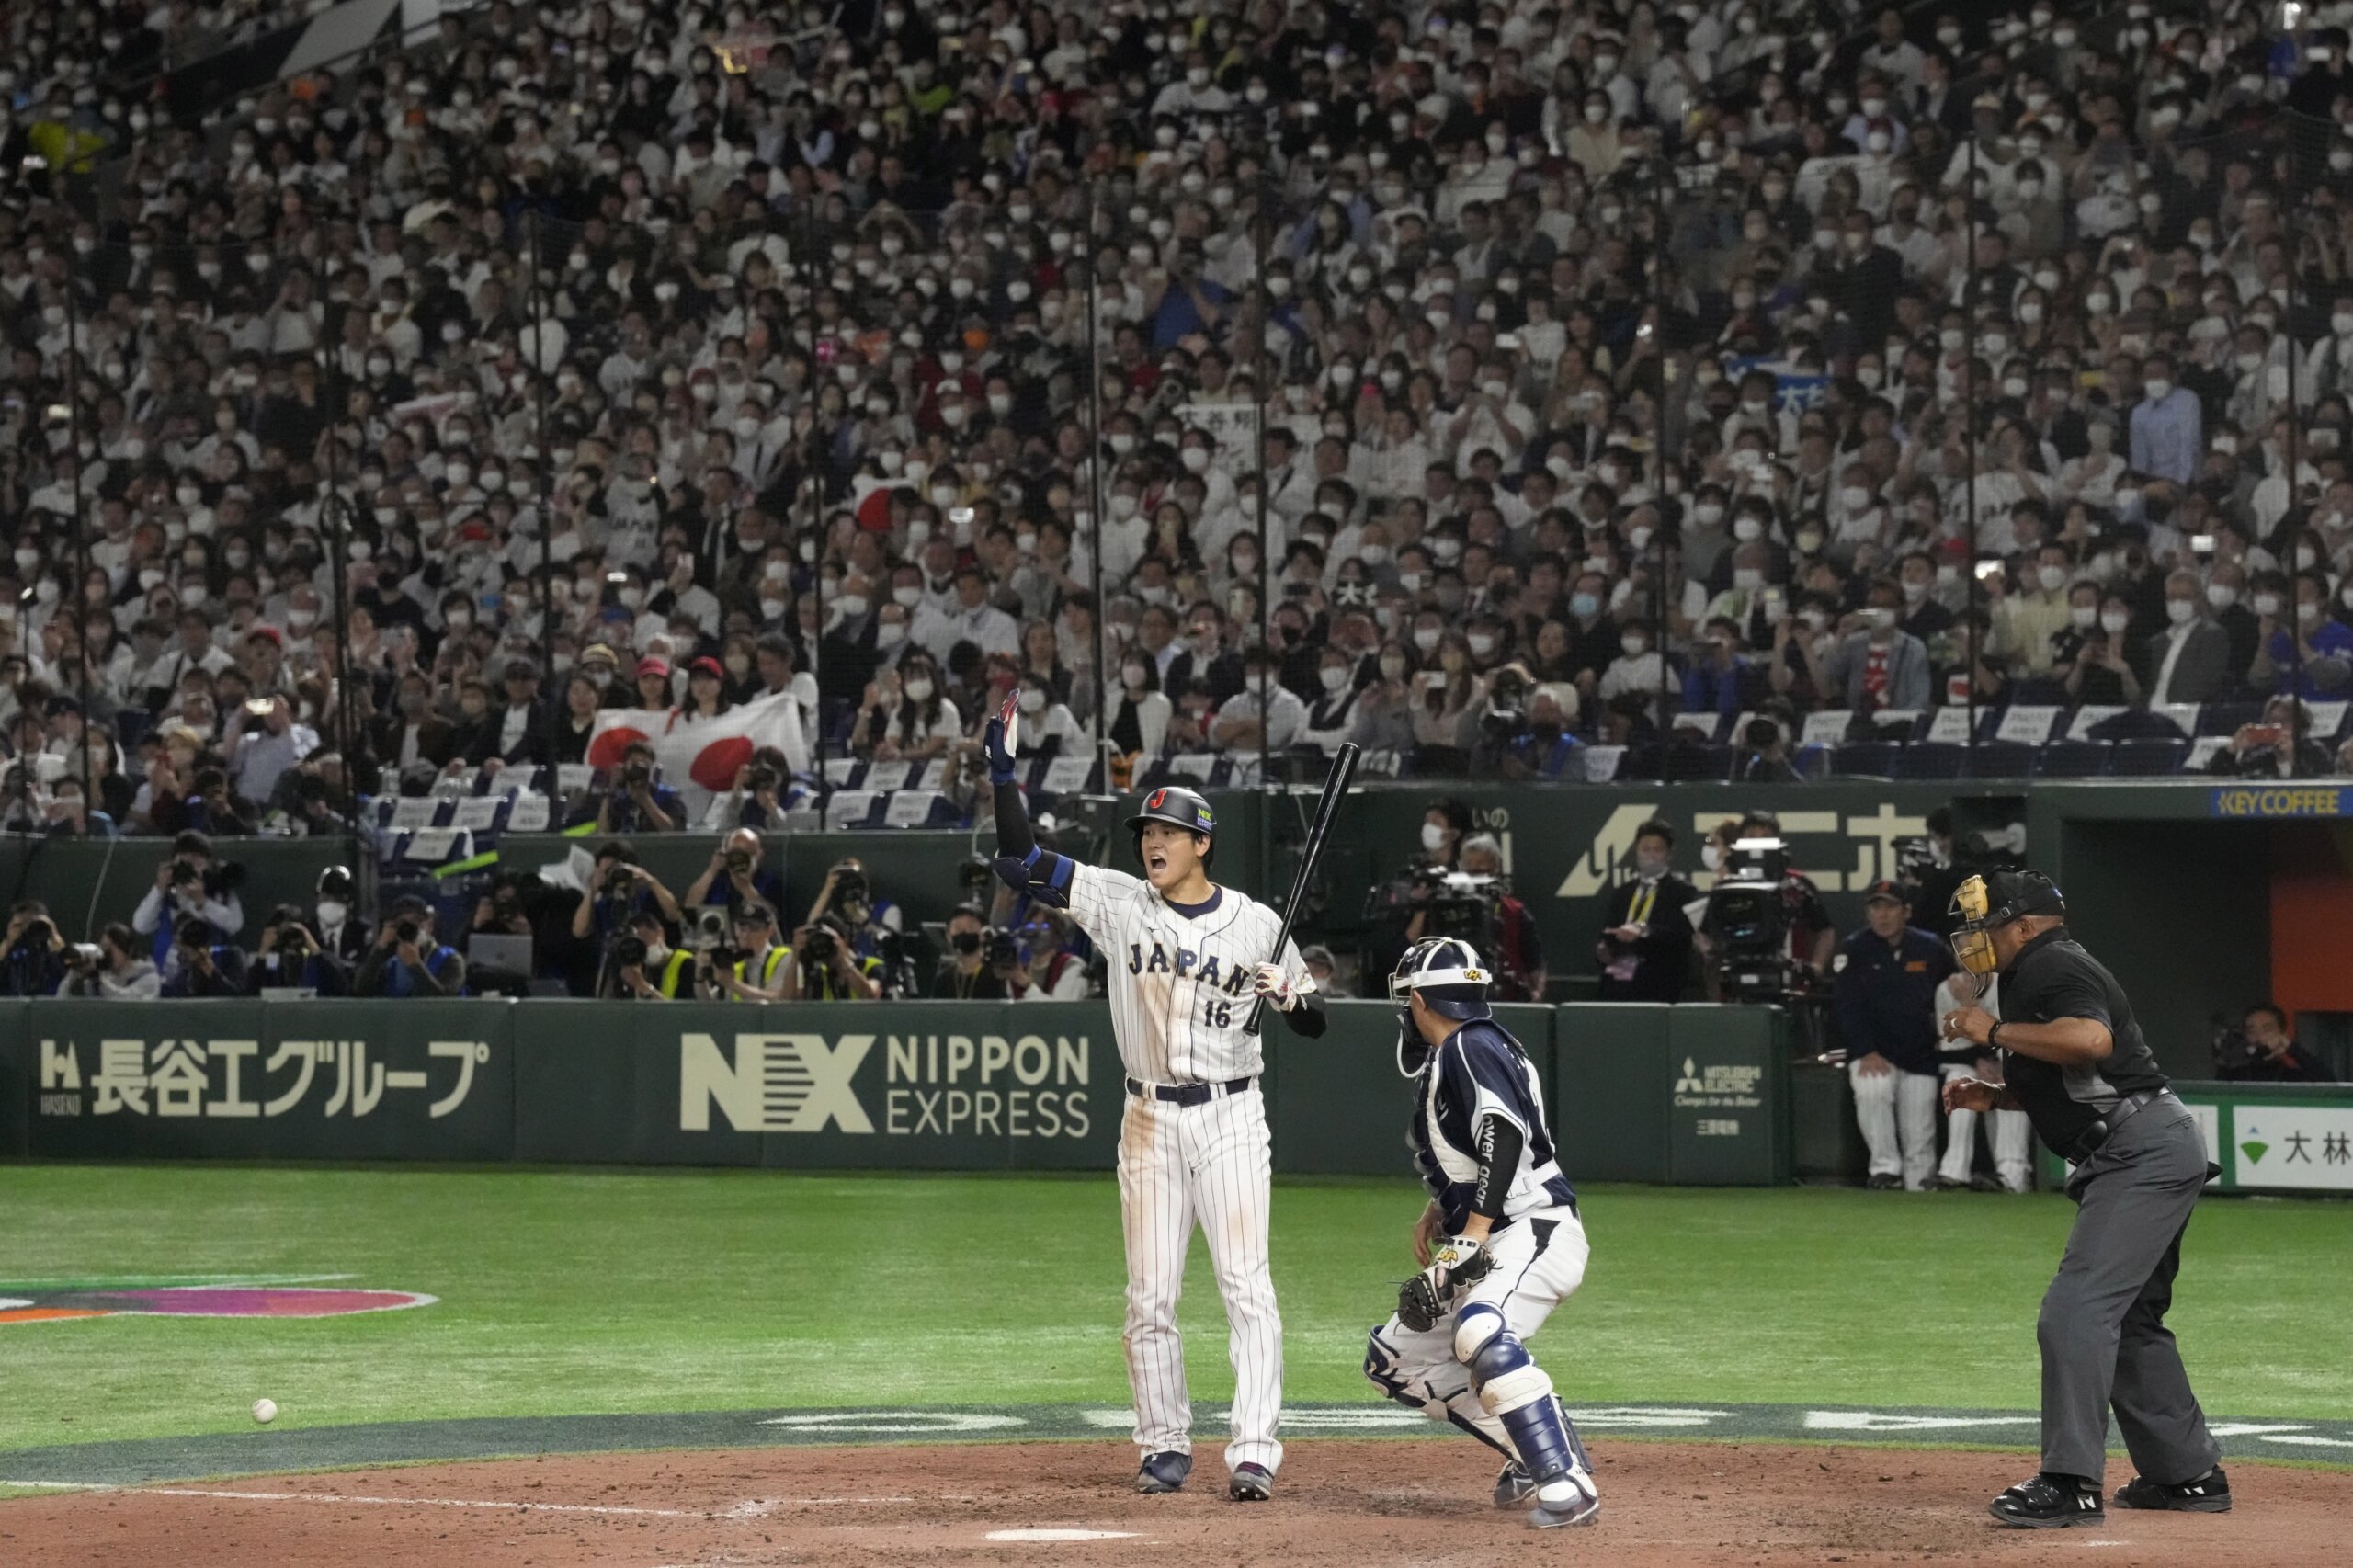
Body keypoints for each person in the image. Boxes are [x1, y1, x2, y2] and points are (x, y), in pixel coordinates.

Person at [987, 692, 1325, 1502]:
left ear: (1202, 843)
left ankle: (1253, 1449)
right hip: (1146, 1117)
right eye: (1146, 832)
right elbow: (1021, 861)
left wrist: (1288, 993)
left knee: (1246, 1285)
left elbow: (1315, 1024)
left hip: (1233, 1116)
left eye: (1168, 832)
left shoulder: (1256, 924)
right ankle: (1164, 1443)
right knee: (1149, 1295)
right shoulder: (1117, 900)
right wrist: (1002, 774)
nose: (1153, 843)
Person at [1939, 871, 2227, 1528]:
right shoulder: (2034, 971)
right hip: (2144, 1143)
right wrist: (1997, 1096)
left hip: (2140, 1151)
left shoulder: (2050, 964)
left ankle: (2070, 1482)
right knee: (2128, 1319)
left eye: (1982, 926)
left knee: (2075, 1311)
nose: (1972, 940)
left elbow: (2090, 1041)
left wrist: (1990, 1033)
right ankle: (2187, 1474)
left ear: (2022, 925)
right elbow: (2078, 1076)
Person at [1362, 937, 1600, 1529]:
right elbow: (1476, 1154)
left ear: (1419, 999)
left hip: (1534, 1225)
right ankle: (1537, 1446)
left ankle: (1565, 1480)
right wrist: (1441, 1210)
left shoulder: (1470, 1046)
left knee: (1481, 1334)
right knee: (1398, 1358)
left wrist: (1468, 1234)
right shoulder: (1471, 1046)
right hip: (1497, 1227)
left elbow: (1504, 1133)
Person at [1833, 881, 1953, 1191]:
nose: (1882, 915)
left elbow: (1949, 996)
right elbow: (1847, 1007)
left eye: (1890, 907)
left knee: (1920, 1128)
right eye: (1875, 907)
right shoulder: (1854, 949)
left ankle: (1920, 1183)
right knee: (1873, 1089)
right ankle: (1885, 1171)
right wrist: (1864, 1050)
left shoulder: (1931, 948)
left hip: (1919, 1055)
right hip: (1874, 1053)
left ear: (1906, 911)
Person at [1932, 967, 2033, 1194]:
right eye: (1963, 964)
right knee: (1958, 1080)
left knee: (2012, 1082)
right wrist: (1979, 1060)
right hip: (1976, 1063)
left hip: (2012, 1062)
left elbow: (2010, 1036)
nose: (1970, 972)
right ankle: (1954, 1172)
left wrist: (1968, 1003)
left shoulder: (2006, 985)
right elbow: (1949, 1046)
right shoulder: (1948, 989)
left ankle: (2012, 1175)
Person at [1594, 820, 1696, 1002]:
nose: (1651, 855)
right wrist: (1604, 948)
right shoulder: (1623, 892)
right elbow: (1608, 928)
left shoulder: (1683, 892)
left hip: (1662, 981)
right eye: (1645, 849)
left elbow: (1681, 934)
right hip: (1619, 980)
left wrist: (1643, 931)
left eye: (1658, 850)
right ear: (1636, 851)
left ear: (1669, 854)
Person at [1456, 834, 1546, 1001]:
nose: (1474, 872)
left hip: (1505, 1002)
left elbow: (1535, 964)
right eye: (1468, 865)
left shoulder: (1515, 912)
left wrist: (1536, 995)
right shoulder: (1449, 910)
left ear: (1495, 867)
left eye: (1481, 865)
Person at [354, 896, 468, 998]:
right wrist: (380, 950)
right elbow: (361, 993)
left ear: (430, 924)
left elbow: (446, 1003)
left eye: (416, 921)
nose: (409, 928)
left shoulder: (450, 959)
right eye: (402, 923)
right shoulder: (389, 964)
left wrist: (415, 965)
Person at [244, 904, 348, 995]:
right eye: (284, 934)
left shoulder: (317, 961)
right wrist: (263, 952)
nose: (289, 939)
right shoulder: (272, 961)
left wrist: (314, 948)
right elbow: (251, 993)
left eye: (293, 933)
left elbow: (340, 988)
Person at [2220, 1005, 2334, 1083]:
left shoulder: (2292, 1077)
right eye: (2252, 1031)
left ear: (2282, 1034)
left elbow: (2329, 1082)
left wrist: (2292, 1049)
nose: (2260, 1036)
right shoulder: (2235, 1077)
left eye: (2267, 1029)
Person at [59, 922, 161, 999]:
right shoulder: (105, 975)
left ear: (127, 950)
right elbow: (61, 999)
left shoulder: (147, 977)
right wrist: (76, 973)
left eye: (109, 949)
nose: (105, 954)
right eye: (102, 948)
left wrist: (99, 981)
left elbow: (126, 1003)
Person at [612, 907, 694, 1000]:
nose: (644, 945)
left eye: (645, 937)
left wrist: (643, 986)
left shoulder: (687, 963)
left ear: (660, 933)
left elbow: (684, 1012)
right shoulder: (644, 968)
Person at [0, 900, 68, 996]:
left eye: (30, 923)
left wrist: (53, 934)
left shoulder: (51, 952)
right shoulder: (11, 951)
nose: (26, 927)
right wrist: (9, 940)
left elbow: (68, 969)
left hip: (48, 1005)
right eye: (21, 924)